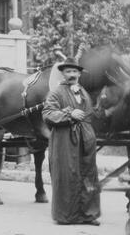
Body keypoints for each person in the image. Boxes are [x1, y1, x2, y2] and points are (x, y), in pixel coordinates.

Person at [42, 57, 101, 226]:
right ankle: (67, 216)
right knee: (67, 175)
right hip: (64, 140)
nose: (72, 74)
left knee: (88, 175)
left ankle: (88, 215)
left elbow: (90, 113)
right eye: (68, 71)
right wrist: (69, 115)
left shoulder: (83, 92)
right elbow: (47, 114)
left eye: (75, 71)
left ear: (79, 74)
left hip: (86, 140)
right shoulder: (55, 93)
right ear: (63, 74)